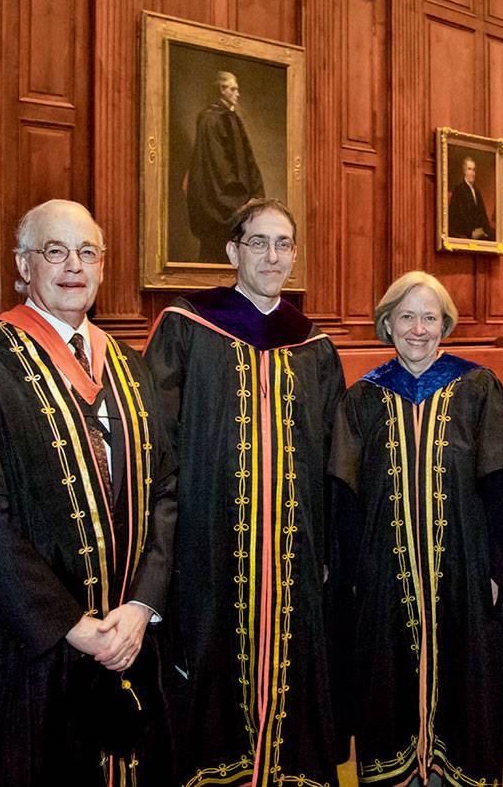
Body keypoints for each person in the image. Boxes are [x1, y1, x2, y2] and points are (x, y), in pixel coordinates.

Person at [0, 200, 177, 784]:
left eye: (86, 252)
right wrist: (71, 624)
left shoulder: (131, 369)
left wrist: (141, 605)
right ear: (23, 266)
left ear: (103, 266)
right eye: (55, 251)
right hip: (28, 650)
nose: (73, 266)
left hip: (128, 636)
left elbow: (166, 491)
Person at [145, 198, 346, 786]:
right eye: (259, 242)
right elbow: (156, 437)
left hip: (294, 545)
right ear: (233, 251)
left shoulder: (312, 345)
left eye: (283, 243)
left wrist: (332, 545)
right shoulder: (187, 326)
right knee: (208, 656)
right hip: (206, 540)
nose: (272, 255)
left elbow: (335, 452)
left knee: (294, 659)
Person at [328, 271, 503, 784]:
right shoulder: (363, 399)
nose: (418, 329)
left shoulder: (477, 388)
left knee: (464, 677)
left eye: (430, 317)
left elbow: (499, 485)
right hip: (384, 572)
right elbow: (344, 496)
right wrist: (355, 576)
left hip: (463, 567)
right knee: (388, 677)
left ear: (446, 324)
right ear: (386, 324)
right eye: (406, 316)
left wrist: (497, 569)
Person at [185, 71, 266, 261]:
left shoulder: (231, 118)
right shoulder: (210, 119)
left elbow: (247, 160)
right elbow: (217, 164)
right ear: (222, 90)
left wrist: (254, 193)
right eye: (233, 89)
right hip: (219, 199)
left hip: (237, 196)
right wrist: (237, 197)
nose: (237, 94)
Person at [447, 155, 493, 240]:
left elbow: (483, 215)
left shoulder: (477, 192)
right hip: (465, 232)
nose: (472, 173)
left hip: (479, 231)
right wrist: (471, 232)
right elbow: (457, 216)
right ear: (464, 171)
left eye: (474, 170)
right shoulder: (459, 189)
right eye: (469, 169)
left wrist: (487, 231)